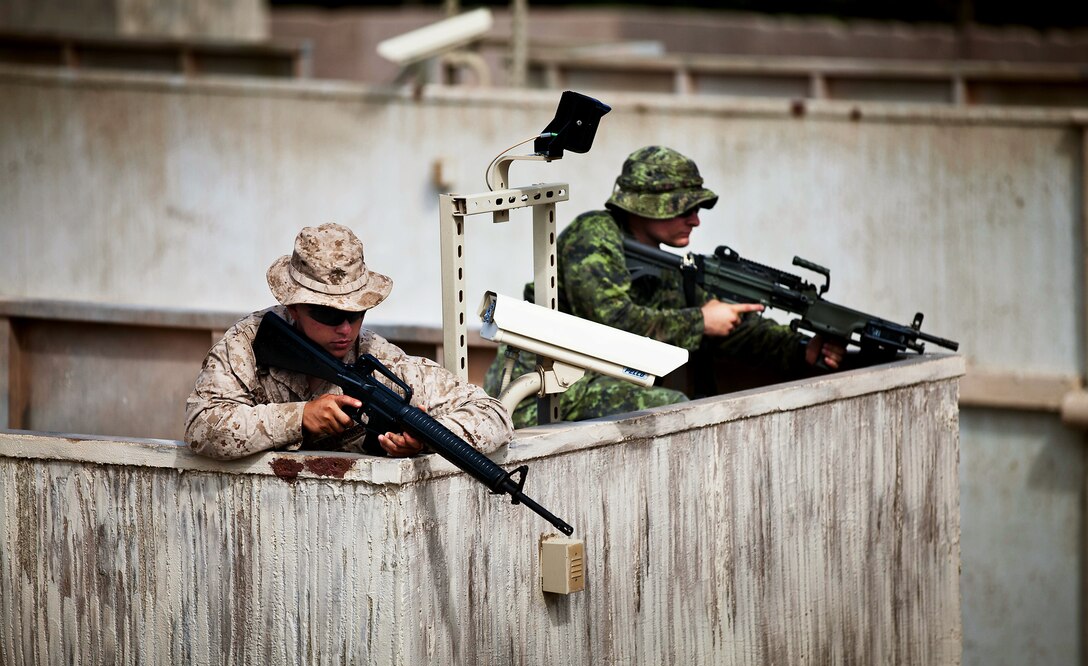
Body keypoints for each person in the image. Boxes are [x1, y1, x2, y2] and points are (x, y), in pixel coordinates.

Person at [484, 145, 844, 428]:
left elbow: (731, 326)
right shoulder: (594, 235)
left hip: (583, 388)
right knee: (676, 412)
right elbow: (616, 325)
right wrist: (700, 322)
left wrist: (800, 349)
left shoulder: (665, 263)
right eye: (683, 209)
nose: (696, 220)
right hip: (537, 394)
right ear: (646, 207)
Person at [186, 222, 514, 460]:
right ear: (293, 306)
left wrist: (426, 439)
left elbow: (493, 414)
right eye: (328, 315)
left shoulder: (380, 358)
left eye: (357, 313)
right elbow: (202, 427)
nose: (345, 328)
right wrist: (298, 418)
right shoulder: (247, 345)